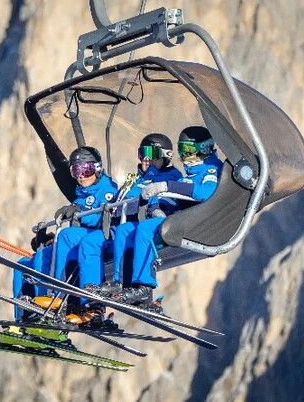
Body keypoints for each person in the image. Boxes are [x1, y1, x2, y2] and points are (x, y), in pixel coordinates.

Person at [119, 125, 225, 307]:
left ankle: (144, 288)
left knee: (144, 228)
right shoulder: (191, 174)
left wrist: (168, 186)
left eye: (188, 150)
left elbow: (205, 192)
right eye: (181, 149)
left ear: (204, 149)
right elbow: (171, 198)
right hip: (178, 218)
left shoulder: (211, 169)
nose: (183, 155)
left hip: (195, 223)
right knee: (125, 229)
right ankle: (125, 285)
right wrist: (155, 207)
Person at [13, 146, 118, 318]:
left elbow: (103, 219)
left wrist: (78, 210)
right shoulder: (80, 194)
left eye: (86, 169)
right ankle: (27, 314)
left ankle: (59, 296)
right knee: (30, 261)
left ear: (97, 169)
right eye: (76, 171)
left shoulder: (108, 190)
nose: (81, 176)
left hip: (103, 238)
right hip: (82, 239)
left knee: (66, 236)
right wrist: (49, 241)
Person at [78, 133, 182, 298]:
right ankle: (119, 284)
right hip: (119, 225)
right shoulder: (135, 179)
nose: (146, 159)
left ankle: (141, 288)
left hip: (148, 224)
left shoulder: (171, 177)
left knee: (123, 231)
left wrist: (151, 204)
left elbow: (166, 202)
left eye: (152, 154)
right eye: (142, 153)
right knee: (112, 234)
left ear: (166, 156)